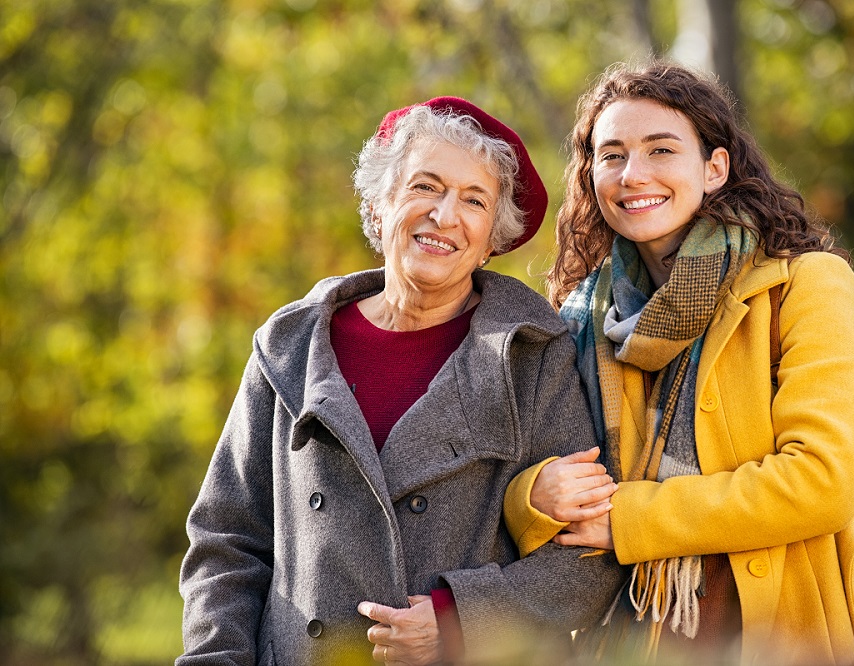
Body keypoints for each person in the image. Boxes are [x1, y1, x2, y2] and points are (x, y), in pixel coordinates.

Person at [177, 96, 626, 665]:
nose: (445, 215)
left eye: (473, 201)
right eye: (424, 187)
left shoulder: (532, 353)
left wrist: (458, 620)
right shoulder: (290, 346)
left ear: (493, 238)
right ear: (379, 205)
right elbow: (227, 542)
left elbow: (586, 559)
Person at [503, 60, 854, 665]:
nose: (634, 175)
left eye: (661, 149)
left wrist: (631, 518)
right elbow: (524, 478)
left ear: (714, 168)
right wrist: (533, 496)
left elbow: (823, 481)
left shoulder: (805, 285)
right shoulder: (576, 319)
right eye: (612, 155)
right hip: (625, 635)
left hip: (777, 627)